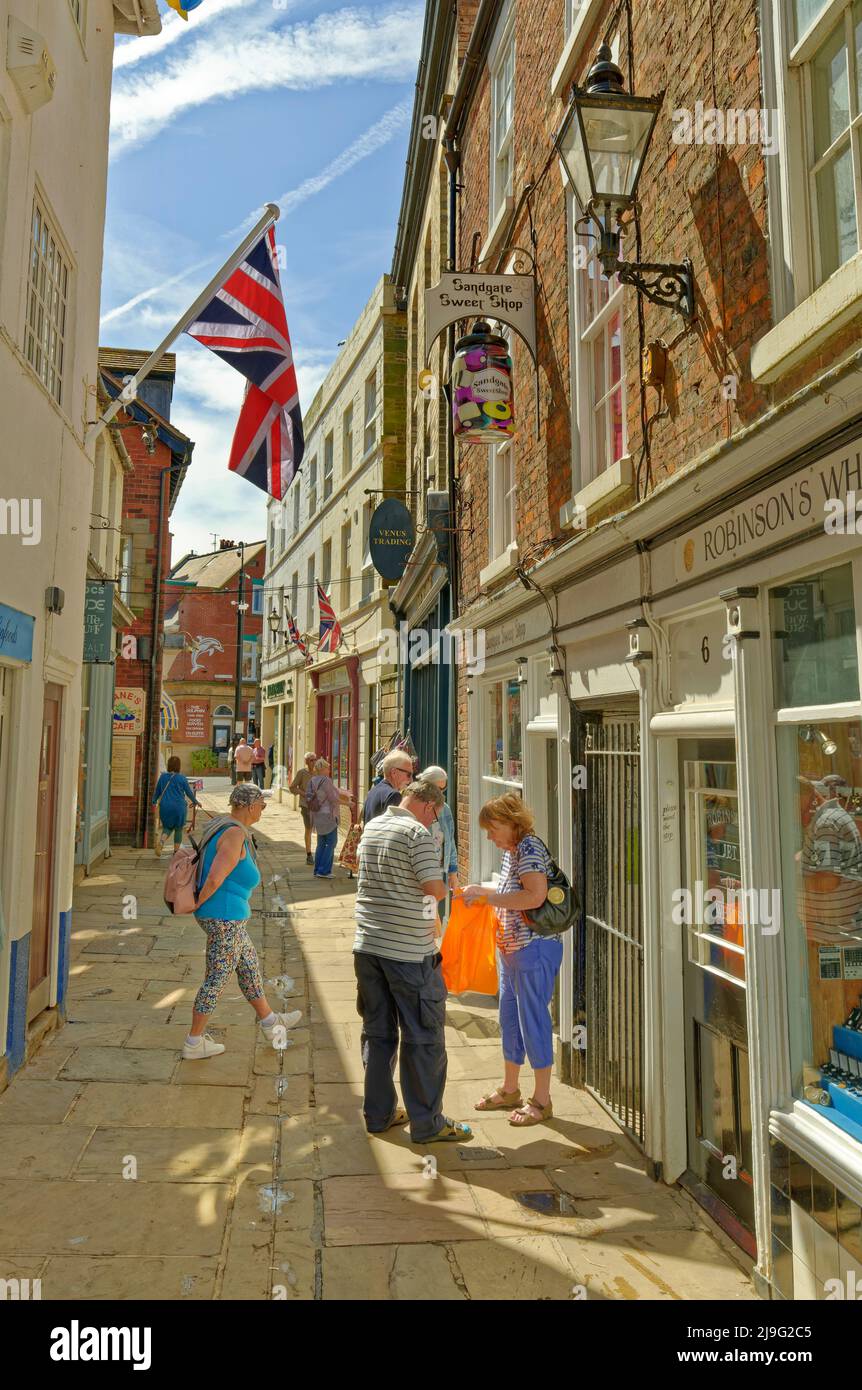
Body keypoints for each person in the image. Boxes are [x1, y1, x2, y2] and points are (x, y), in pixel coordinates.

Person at [354, 779, 473, 1144]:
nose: (434, 822)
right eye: (436, 815)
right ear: (428, 805)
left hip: (368, 946)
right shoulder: (416, 834)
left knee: (378, 1033)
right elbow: (434, 889)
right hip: (408, 953)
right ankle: (428, 1123)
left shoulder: (373, 825)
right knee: (423, 1037)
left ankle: (378, 1114)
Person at [183, 783, 302, 1060]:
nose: (263, 810)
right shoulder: (234, 834)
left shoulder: (226, 825)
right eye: (262, 805)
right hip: (224, 917)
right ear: (250, 807)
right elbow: (215, 877)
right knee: (216, 979)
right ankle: (194, 1041)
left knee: (248, 968)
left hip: (230, 917)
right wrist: (200, 903)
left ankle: (271, 1023)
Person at [463, 793, 561, 1127]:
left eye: (492, 828)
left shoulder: (530, 848)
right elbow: (509, 892)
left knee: (534, 1021)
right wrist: (482, 890)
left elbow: (535, 896)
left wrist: (488, 897)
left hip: (534, 948)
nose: (489, 836)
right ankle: (510, 1090)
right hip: (512, 950)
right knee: (509, 1020)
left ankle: (542, 1100)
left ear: (510, 821)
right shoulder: (512, 852)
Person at [307, 756, 353, 878]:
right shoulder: (326, 781)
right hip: (328, 816)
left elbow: (309, 796)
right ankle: (324, 870)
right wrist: (348, 803)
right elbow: (333, 799)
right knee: (331, 842)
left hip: (317, 815)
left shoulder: (312, 780)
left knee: (321, 843)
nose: (329, 770)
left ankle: (317, 869)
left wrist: (344, 792)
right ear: (322, 769)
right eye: (327, 768)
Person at [418, 765, 459, 895]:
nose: (440, 793)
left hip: (438, 872)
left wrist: (453, 873)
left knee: (431, 909)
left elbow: (450, 841)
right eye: (438, 789)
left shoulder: (444, 809)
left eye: (443, 789)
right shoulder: (416, 807)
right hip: (419, 872)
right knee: (427, 911)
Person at [152, 756, 199, 858]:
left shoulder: (163, 777)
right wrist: (196, 802)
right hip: (179, 807)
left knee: (167, 827)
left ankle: (161, 842)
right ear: (179, 766)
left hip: (165, 806)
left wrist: (154, 801)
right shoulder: (182, 778)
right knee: (178, 829)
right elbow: (189, 793)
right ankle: (176, 852)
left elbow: (157, 792)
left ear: (169, 765)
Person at [362, 749, 414, 823]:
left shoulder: (373, 791)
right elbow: (394, 830)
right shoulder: (394, 795)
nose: (411, 780)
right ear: (394, 773)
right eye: (408, 775)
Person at [289, 752, 318, 865]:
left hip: (318, 806)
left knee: (320, 829)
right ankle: (309, 854)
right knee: (309, 829)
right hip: (306, 805)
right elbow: (292, 787)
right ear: (306, 762)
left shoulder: (318, 773)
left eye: (315, 759)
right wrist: (304, 794)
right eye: (311, 760)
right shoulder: (302, 773)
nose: (314, 762)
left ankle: (319, 853)